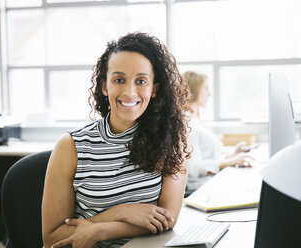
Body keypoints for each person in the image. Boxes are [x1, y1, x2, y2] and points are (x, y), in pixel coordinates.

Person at [42, 32, 191, 248]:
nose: (130, 92)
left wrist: (100, 229)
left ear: (154, 89)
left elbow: (166, 219)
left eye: (141, 81)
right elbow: (52, 237)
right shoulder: (71, 146)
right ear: (105, 86)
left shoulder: (170, 140)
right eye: (119, 80)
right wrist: (120, 212)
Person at [182, 71, 254, 191]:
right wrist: (226, 163)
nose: (209, 94)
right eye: (205, 88)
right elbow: (192, 167)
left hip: (209, 181)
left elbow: (208, 158)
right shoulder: (187, 123)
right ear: (193, 90)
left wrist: (232, 155)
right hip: (199, 187)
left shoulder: (197, 119)